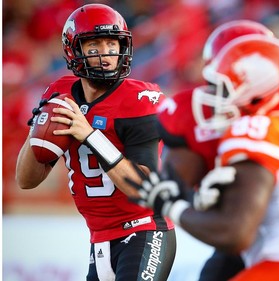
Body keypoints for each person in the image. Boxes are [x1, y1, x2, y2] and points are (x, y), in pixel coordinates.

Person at [126, 35, 279, 280]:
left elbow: (234, 233)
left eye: (226, 88)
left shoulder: (254, 131)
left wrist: (172, 206)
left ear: (259, 92)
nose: (217, 97)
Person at [15, 4, 176, 281]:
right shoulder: (59, 94)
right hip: (98, 239)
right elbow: (26, 180)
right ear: (73, 51)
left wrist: (89, 135)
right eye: (94, 45)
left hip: (144, 230)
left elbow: (144, 189)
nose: (106, 54)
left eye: (112, 44)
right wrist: (39, 127)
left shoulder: (139, 100)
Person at [156, 20, 275, 281]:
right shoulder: (198, 119)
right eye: (222, 79)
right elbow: (176, 187)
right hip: (244, 239)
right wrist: (198, 202)